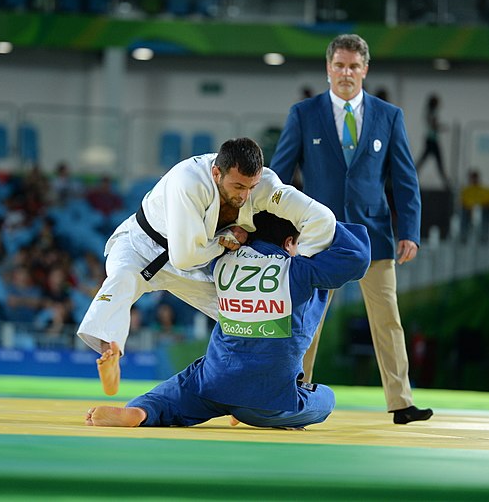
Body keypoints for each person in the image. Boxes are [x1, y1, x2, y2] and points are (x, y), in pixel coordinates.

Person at [76, 137, 337, 396]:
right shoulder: (187, 180)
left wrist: (302, 261)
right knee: (121, 278)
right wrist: (224, 244)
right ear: (216, 172)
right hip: (141, 245)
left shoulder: (266, 186)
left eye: (251, 186)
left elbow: (321, 217)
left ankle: (247, 387)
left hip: (196, 262)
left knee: (247, 315)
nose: (245, 195)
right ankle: (110, 349)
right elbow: (184, 257)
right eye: (238, 186)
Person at [269, 34, 433, 424]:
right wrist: (279, 231)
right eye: (340, 65)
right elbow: (278, 177)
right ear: (328, 68)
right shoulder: (303, 114)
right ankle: (294, 393)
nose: (346, 73)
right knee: (306, 319)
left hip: (373, 234)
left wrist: (409, 229)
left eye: (354, 66)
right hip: (317, 235)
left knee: (387, 318)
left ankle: (401, 401)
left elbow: (405, 179)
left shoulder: (388, 116)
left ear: (365, 70)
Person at [85, 211, 370, 428]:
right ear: (288, 243)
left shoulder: (221, 259)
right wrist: (310, 212)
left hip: (215, 385)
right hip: (269, 401)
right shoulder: (300, 271)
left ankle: (142, 411)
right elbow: (357, 256)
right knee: (325, 399)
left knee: (181, 388)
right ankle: (243, 409)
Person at [415, 94, 452, 190]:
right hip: (432, 140)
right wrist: (443, 128)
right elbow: (434, 126)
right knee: (438, 161)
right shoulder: (433, 113)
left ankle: (412, 173)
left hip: (430, 139)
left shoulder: (428, 112)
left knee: (424, 160)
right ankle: (446, 182)